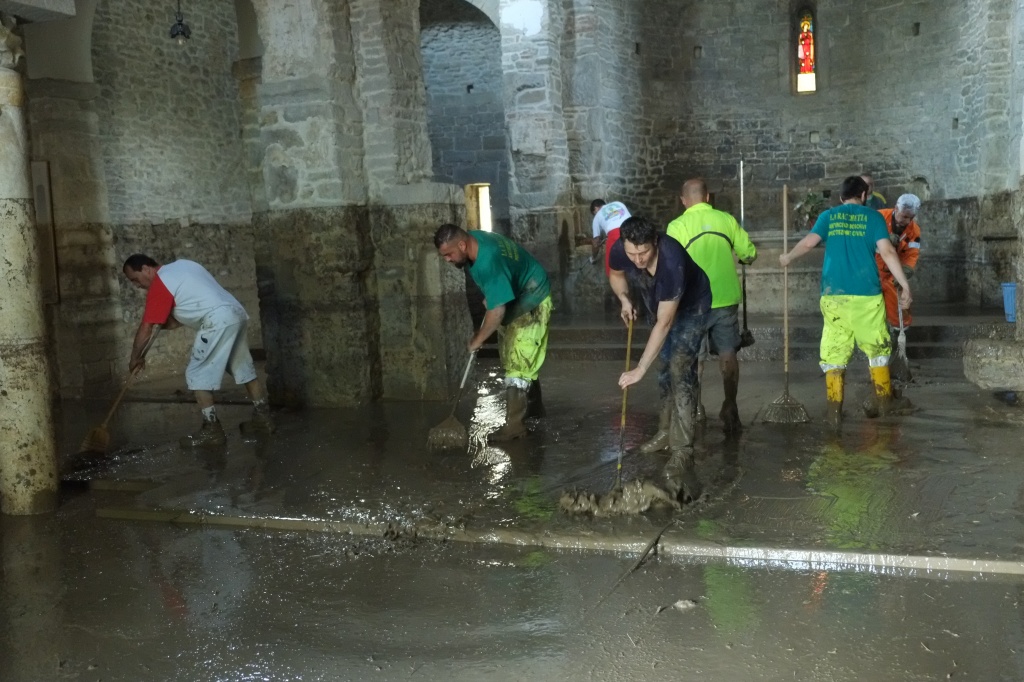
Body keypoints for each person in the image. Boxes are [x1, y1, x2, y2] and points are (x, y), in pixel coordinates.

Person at [778, 176, 912, 429]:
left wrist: (788, 258)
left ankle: (834, 414)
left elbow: (809, 243)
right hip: (866, 295)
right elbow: (887, 252)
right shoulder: (873, 218)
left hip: (833, 294)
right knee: (877, 351)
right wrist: (904, 284)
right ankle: (884, 405)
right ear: (864, 196)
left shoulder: (829, 216)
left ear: (841, 197)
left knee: (834, 353)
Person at [122, 254, 274, 447]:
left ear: (146, 269)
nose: (137, 285)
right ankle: (264, 419)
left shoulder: (160, 283)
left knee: (196, 374)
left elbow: (146, 328)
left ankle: (212, 430)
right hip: (234, 313)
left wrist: (135, 358)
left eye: (135, 279)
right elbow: (186, 312)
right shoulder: (184, 266)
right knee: (243, 369)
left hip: (217, 320)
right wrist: (165, 320)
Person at [610, 216, 711, 502]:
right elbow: (616, 273)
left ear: (655, 241)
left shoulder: (672, 260)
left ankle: (682, 448)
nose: (637, 259)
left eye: (643, 252)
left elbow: (665, 323)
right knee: (664, 368)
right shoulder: (623, 249)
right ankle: (665, 430)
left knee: (681, 367)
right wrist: (625, 300)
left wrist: (640, 367)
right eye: (632, 253)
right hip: (658, 304)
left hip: (693, 306)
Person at [434, 225, 552, 441]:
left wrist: (477, 339)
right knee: (512, 355)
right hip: (519, 293)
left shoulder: (488, 262)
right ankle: (534, 411)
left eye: (449, 254)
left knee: (519, 359)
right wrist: (495, 294)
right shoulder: (475, 241)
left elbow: (497, 311)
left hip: (532, 296)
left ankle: (515, 427)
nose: (448, 260)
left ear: (462, 245)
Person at [665, 178, 757, 435]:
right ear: (707, 197)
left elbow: (671, 265)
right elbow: (749, 253)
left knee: (696, 357)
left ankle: (696, 408)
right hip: (725, 297)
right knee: (728, 353)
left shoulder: (677, 226)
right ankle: (730, 405)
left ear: (684, 201)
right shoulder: (726, 220)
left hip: (692, 301)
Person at [875, 194, 922, 336]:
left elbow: (912, 254)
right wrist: (883, 241)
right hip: (871, 271)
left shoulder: (914, 231)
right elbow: (862, 243)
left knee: (899, 306)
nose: (906, 221)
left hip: (893, 274)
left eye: (910, 218)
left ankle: (898, 335)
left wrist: (906, 270)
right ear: (896, 208)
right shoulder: (878, 218)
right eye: (904, 216)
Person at [590, 199, 632, 276]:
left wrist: (593, 257)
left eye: (594, 213)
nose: (595, 215)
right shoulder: (618, 203)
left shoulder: (597, 216)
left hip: (615, 236)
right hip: (633, 230)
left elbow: (596, 243)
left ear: (596, 208)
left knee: (612, 273)